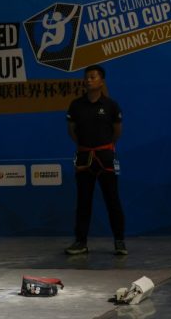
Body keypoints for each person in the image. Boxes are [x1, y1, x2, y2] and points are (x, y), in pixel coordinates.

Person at [65, 64, 127, 255]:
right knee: (83, 201)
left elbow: (117, 132)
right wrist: (86, 146)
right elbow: (72, 131)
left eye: (93, 77)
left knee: (112, 200)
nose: (88, 80)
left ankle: (119, 241)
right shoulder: (76, 105)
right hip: (84, 158)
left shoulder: (111, 105)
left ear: (101, 81)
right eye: (87, 77)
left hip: (105, 157)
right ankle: (81, 242)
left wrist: (104, 147)